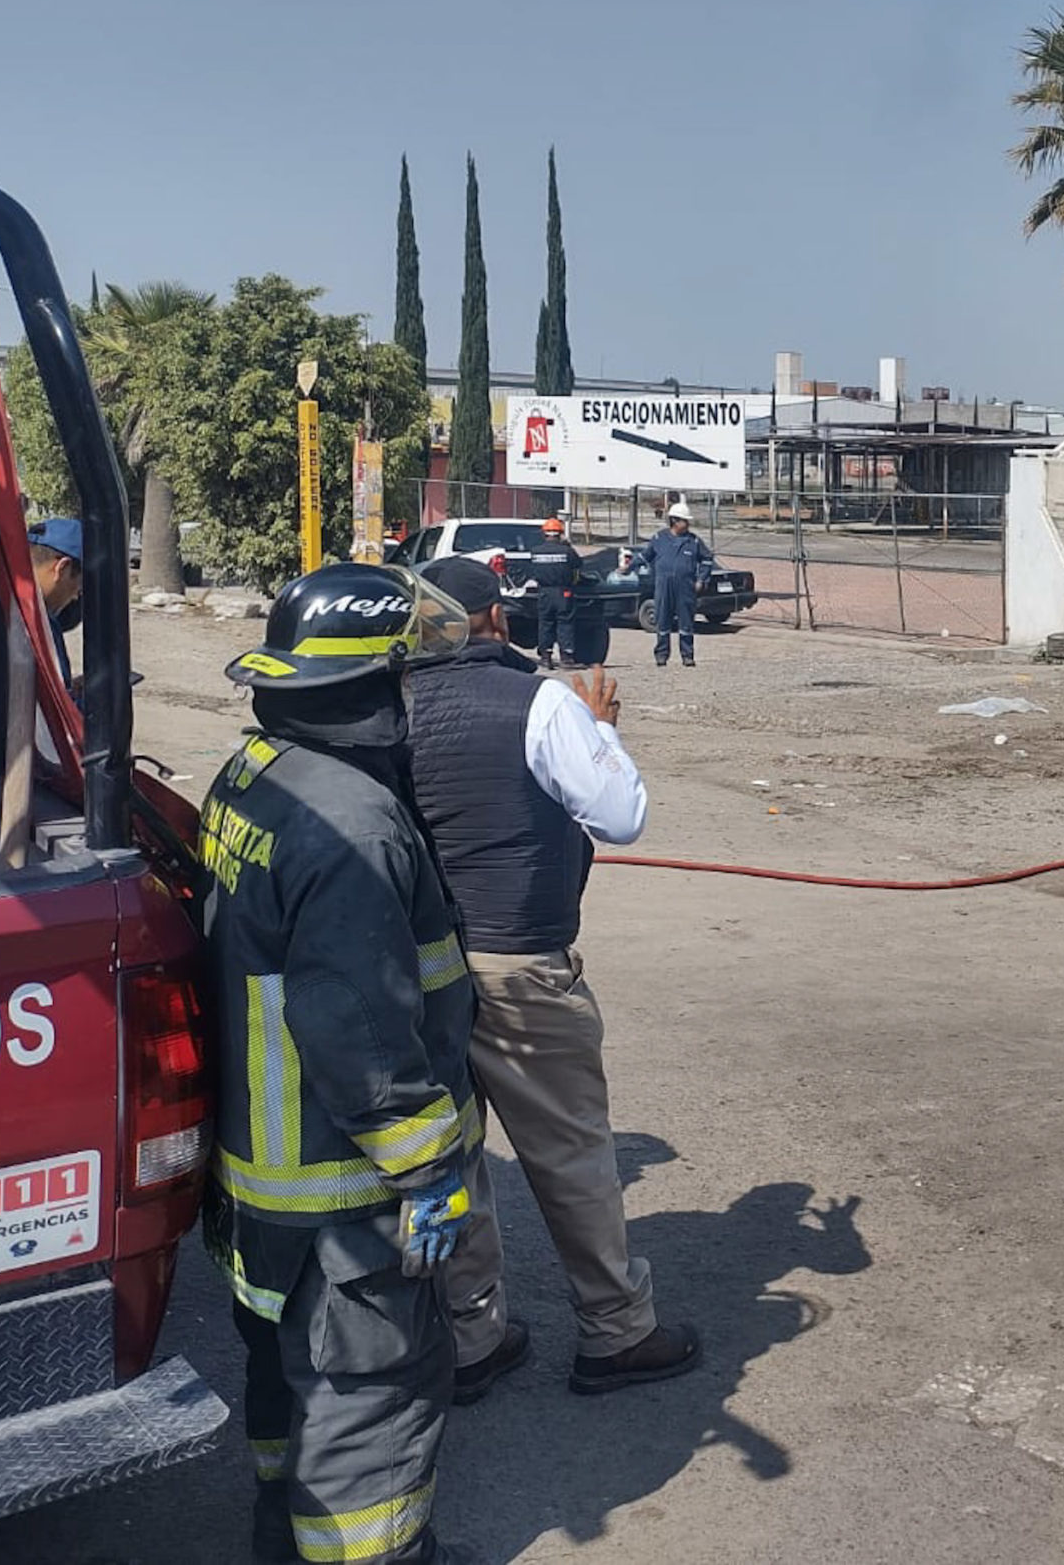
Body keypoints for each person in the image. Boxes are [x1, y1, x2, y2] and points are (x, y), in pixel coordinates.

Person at [203, 563, 478, 1565]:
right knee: (370, 1395)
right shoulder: (354, 826)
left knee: (289, 1376)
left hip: (261, 1178)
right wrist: (427, 1165)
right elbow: (358, 1026)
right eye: (411, 680)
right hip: (343, 1187)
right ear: (371, 691)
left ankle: (284, 1532)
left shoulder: (260, 772)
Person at [406, 558, 703, 1404]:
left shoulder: (395, 704)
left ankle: (470, 1337)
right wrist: (599, 726)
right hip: (522, 968)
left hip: (426, 969)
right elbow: (622, 817)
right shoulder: (538, 704)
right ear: (495, 619)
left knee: (453, 1158)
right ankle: (617, 1332)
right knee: (571, 1154)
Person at [638, 502, 711, 668]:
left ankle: (687, 655)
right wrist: (628, 567)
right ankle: (661, 655)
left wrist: (701, 580)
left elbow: (707, 559)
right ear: (674, 521)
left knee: (686, 622)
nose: (687, 524)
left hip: (685, 587)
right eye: (684, 520)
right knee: (662, 620)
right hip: (664, 586)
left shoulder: (694, 541)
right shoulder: (659, 539)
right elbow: (644, 557)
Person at [27, 516, 85, 685]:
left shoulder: (3, 603)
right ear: (62, 568)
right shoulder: (41, 624)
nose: (75, 597)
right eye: (79, 587)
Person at [529, 515, 581, 667]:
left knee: (546, 623)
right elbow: (578, 564)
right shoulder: (567, 551)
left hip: (544, 592)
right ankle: (567, 657)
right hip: (563, 592)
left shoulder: (536, 551)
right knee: (565, 623)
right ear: (560, 534)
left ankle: (545, 656)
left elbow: (531, 571)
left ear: (544, 534)